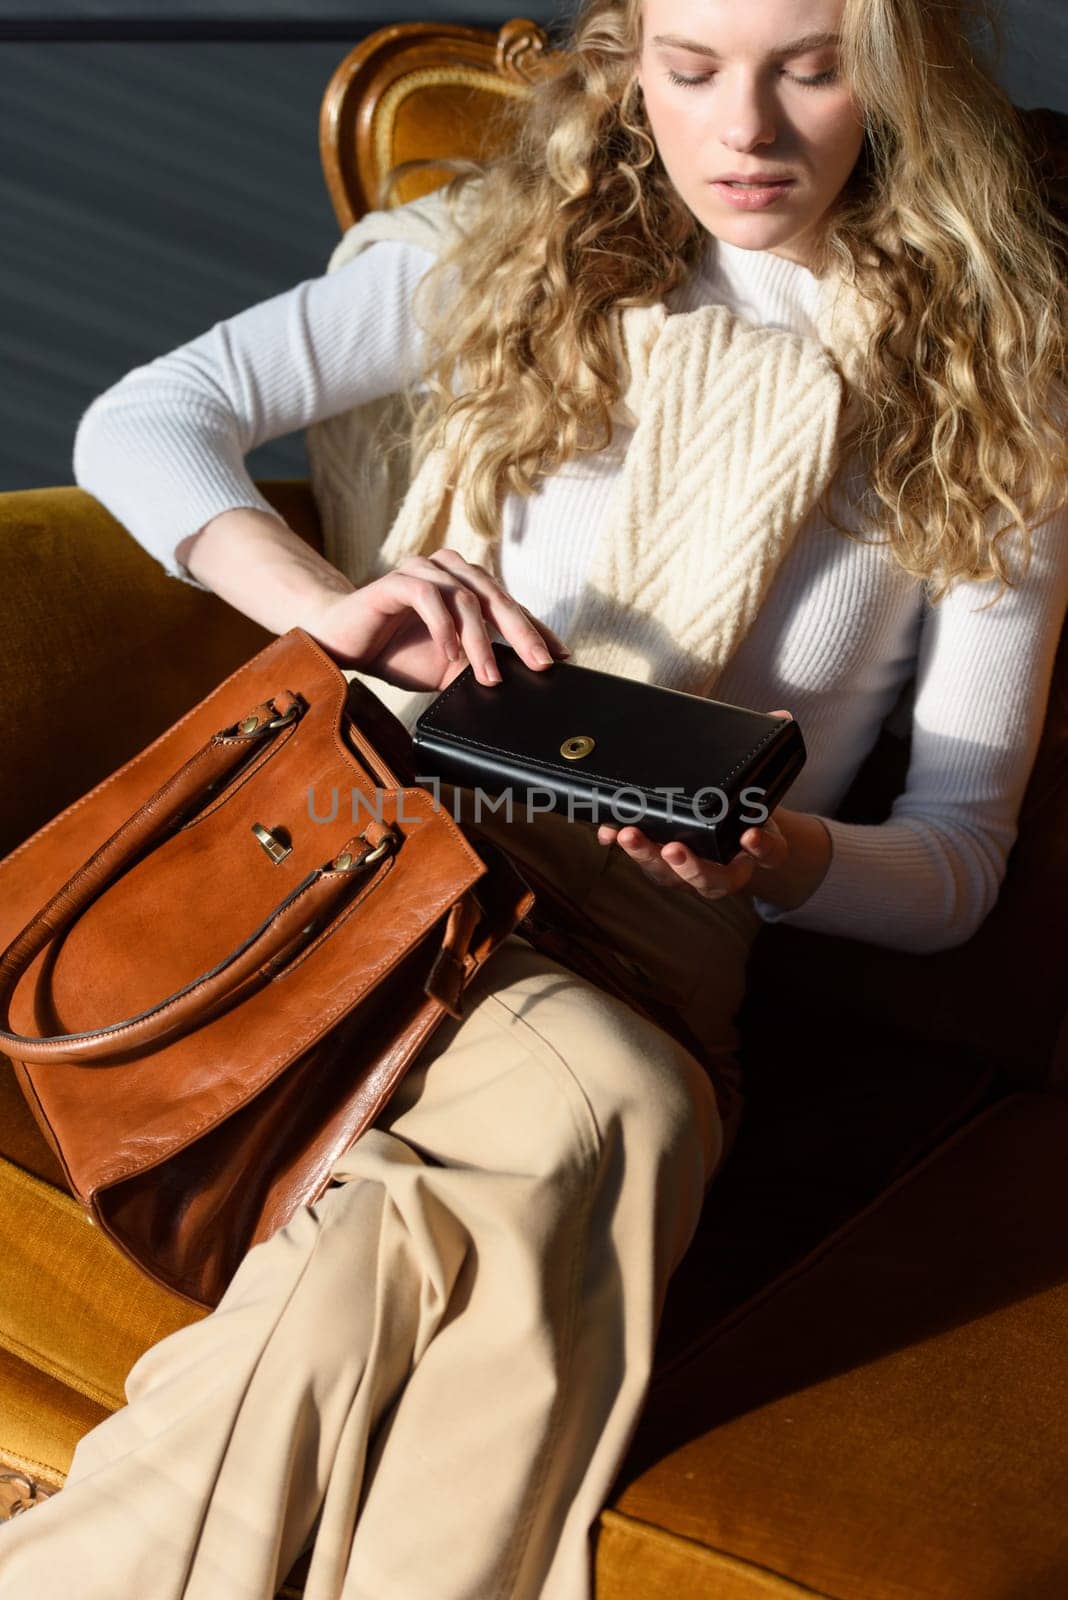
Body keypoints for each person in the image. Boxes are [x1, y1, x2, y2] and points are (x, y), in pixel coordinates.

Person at [3, 0, 1067, 1596]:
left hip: (658, 947)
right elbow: (145, 419)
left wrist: (772, 858)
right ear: (632, 59)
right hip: (381, 877)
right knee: (617, 1108)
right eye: (694, 70)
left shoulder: (998, 396)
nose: (745, 133)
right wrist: (325, 608)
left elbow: (960, 863)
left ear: (902, 80)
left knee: (442, 1211)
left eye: (810, 67)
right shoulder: (506, 253)